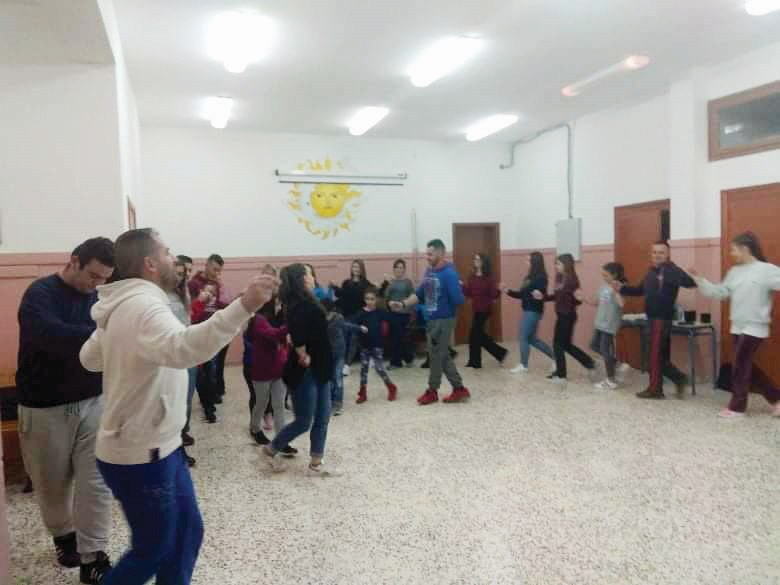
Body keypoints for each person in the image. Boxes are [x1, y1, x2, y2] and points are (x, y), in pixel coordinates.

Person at [79, 228, 275, 584]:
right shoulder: (141, 305)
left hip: (162, 445)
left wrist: (117, 342)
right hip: (140, 453)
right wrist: (244, 306)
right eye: (167, 252)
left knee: (186, 534)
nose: (174, 259)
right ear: (150, 263)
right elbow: (186, 349)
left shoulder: (125, 304)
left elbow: (89, 358)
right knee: (153, 549)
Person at [16, 237, 115, 584]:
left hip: (93, 401)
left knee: (97, 481)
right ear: (74, 261)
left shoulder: (99, 298)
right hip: (44, 406)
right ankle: (63, 536)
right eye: (93, 275)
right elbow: (50, 336)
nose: (96, 284)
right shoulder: (39, 294)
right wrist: (103, 336)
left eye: (104, 279)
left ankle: (94, 557)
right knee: (52, 486)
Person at [687, 232, 780, 418]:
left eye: (734, 249)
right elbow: (720, 293)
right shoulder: (734, 272)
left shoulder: (767, 270)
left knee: (740, 365)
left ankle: (737, 408)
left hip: (755, 327)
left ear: (745, 249)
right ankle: (776, 398)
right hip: (737, 326)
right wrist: (700, 280)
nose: (731, 253)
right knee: (745, 365)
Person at [262, 264, 335, 476]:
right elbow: (297, 335)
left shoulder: (309, 302)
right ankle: (270, 450)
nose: (313, 277)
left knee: (323, 417)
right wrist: (303, 353)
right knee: (304, 421)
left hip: (321, 368)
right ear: (302, 279)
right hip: (305, 372)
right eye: (309, 274)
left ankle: (316, 464)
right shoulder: (298, 305)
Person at [390, 239, 471, 405]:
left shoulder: (449, 274)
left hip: (443, 320)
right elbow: (419, 293)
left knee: (435, 356)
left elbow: (459, 300)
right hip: (431, 320)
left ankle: (432, 391)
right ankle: (459, 389)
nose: (427, 257)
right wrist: (403, 304)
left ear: (440, 253)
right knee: (442, 355)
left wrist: (459, 288)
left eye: (430, 254)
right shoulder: (429, 271)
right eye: (426, 253)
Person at [620, 241, 696, 399]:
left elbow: (690, 283)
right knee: (656, 356)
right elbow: (639, 290)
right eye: (654, 252)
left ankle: (655, 390)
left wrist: (694, 276)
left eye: (661, 252)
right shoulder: (651, 272)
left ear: (667, 254)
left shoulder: (672, 270)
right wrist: (621, 288)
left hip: (661, 319)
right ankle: (679, 378)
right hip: (651, 318)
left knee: (654, 356)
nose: (657, 255)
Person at [534, 253, 597, 384]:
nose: (555, 266)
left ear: (566, 265)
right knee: (566, 345)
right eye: (555, 263)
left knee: (558, 344)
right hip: (561, 315)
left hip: (568, 316)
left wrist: (578, 298)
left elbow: (577, 301)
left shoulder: (572, 280)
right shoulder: (559, 277)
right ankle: (589, 362)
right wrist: (543, 297)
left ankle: (561, 375)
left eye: (558, 264)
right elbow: (556, 296)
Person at [249, 296, 295, 452]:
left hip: (279, 368)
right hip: (262, 370)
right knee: (262, 402)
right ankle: (255, 428)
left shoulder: (280, 318)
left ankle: (281, 441)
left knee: (279, 405)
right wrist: (291, 325)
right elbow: (273, 334)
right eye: (277, 303)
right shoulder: (258, 319)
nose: (279, 307)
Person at [189, 254, 232, 411]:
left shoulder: (218, 284)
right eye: (215, 269)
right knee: (206, 365)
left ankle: (215, 391)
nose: (217, 273)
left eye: (219, 270)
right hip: (201, 327)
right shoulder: (194, 283)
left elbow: (223, 305)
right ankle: (207, 398)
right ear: (206, 265)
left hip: (217, 327)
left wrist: (222, 289)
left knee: (216, 363)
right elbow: (190, 306)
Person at [504, 251, 555, 374]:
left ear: (535, 262)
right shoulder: (528, 277)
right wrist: (507, 291)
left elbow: (541, 294)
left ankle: (523, 365)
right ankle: (556, 357)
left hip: (533, 310)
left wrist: (539, 293)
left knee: (523, 336)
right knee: (532, 339)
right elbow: (521, 294)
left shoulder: (541, 277)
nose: (526, 262)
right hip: (528, 309)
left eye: (528, 260)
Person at [168, 258, 197, 468]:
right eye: (176, 273)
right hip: (170, 356)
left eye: (181, 274)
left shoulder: (182, 293)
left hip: (187, 353)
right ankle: (177, 449)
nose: (178, 277)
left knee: (186, 402)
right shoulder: (157, 295)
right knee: (174, 404)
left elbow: (188, 322)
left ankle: (181, 437)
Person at [242, 264, 277, 435]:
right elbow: (244, 327)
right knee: (255, 391)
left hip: (271, 351)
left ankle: (268, 413)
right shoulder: (253, 296)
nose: (268, 280)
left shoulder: (277, 300)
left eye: (271, 276)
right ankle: (254, 423)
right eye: (265, 276)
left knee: (270, 388)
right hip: (253, 352)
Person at [463, 253, 508, 369]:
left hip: (485, 309)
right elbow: (469, 293)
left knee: (475, 334)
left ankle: (476, 362)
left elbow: (493, 295)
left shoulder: (489, 278)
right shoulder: (472, 276)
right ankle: (499, 354)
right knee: (476, 335)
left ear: (483, 262)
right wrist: (461, 286)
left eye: (478, 259)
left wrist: (499, 289)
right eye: (475, 259)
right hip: (476, 309)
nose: (476, 261)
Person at [353, 287, 397, 403]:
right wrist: (359, 328)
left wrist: (394, 307)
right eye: (367, 299)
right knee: (363, 370)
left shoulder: (380, 312)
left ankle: (391, 387)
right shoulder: (360, 314)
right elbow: (353, 324)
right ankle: (363, 393)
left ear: (376, 299)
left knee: (379, 368)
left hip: (377, 345)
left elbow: (392, 319)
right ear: (364, 299)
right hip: (364, 346)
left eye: (372, 299)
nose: (369, 301)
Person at [587, 262, 626, 390]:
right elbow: (597, 301)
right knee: (594, 346)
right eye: (603, 275)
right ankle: (616, 363)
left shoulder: (619, 286)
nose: (604, 278)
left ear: (614, 275)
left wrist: (615, 291)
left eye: (606, 275)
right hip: (600, 322)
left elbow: (621, 304)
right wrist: (584, 299)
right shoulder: (603, 286)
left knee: (605, 350)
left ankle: (611, 380)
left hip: (609, 324)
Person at [323, 299, 364, 416]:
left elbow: (347, 325)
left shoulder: (338, 318)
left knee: (337, 378)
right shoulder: (320, 319)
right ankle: (330, 402)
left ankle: (337, 403)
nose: (328, 316)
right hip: (327, 353)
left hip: (339, 352)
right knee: (330, 378)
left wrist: (359, 328)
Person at [331, 259, 372, 373]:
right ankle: (342, 363)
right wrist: (334, 287)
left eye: (358, 267)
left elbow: (374, 293)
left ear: (362, 269)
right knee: (343, 338)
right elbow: (340, 294)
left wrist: (384, 284)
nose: (356, 269)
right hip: (346, 315)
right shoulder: (346, 283)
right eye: (354, 267)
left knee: (353, 338)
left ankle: (347, 365)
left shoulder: (366, 284)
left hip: (359, 316)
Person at [379, 259, 416, 369]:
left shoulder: (407, 282)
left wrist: (405, 306)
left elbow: (413, 297)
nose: (399, 269)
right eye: (397, 267)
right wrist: (389, 302)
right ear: (394, 269)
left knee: (397, 336)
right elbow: (385, 296)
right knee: (396, 337)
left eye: (401, 267)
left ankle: (396, 362)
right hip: (393, 312)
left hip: (405, 313)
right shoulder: (391, 282)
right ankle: (407, 358)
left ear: (404, 269)